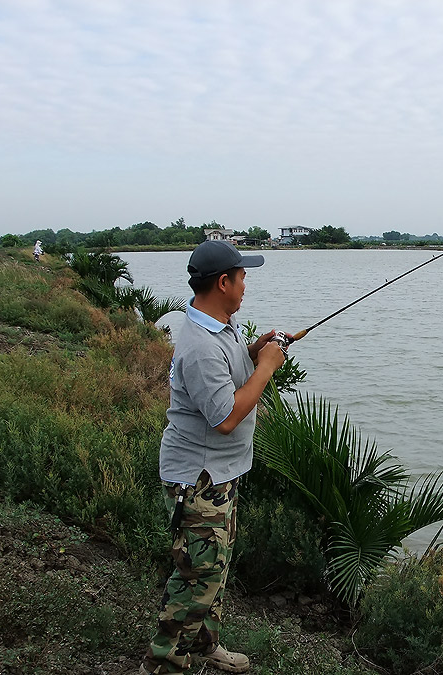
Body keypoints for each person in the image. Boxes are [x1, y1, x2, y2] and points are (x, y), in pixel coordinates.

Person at [139, 240, 287, 675]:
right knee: (196, 578)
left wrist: (255, 352)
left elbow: (230, 374)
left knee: (213, 571)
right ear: (223, 283)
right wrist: (267, 368)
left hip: (221, 475)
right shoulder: (201, 344)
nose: (246, 285)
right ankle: (161, 665)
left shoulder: (222, 325)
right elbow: (224, 416)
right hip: (198, 481)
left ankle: (204, 646)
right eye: (242, 277)